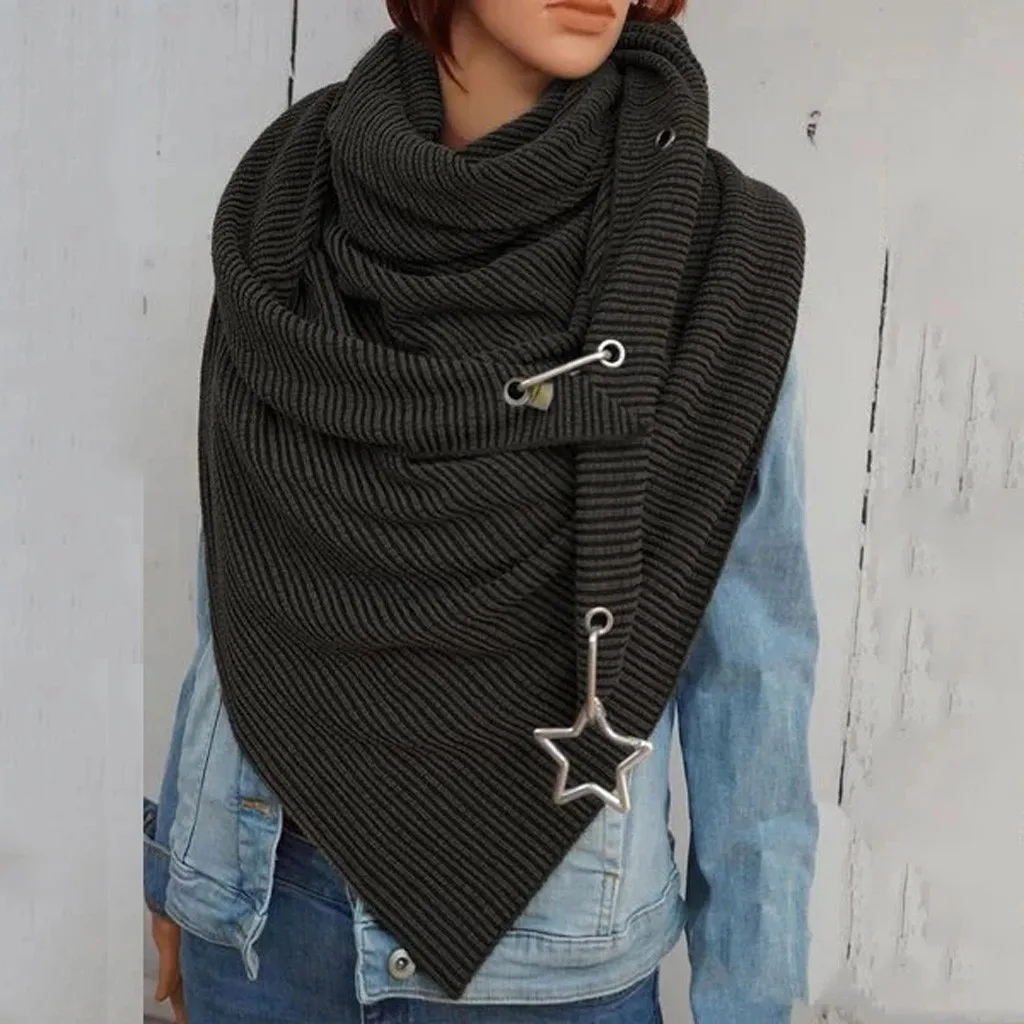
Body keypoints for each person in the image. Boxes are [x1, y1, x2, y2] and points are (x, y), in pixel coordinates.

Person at [144, 1, 820, 1021]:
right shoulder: (289, 199)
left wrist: (753, 1001)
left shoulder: (716, 259)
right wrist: (176, 872)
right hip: (257, 919)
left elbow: (754, 674)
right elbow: (244, 560)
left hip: (545, 967)